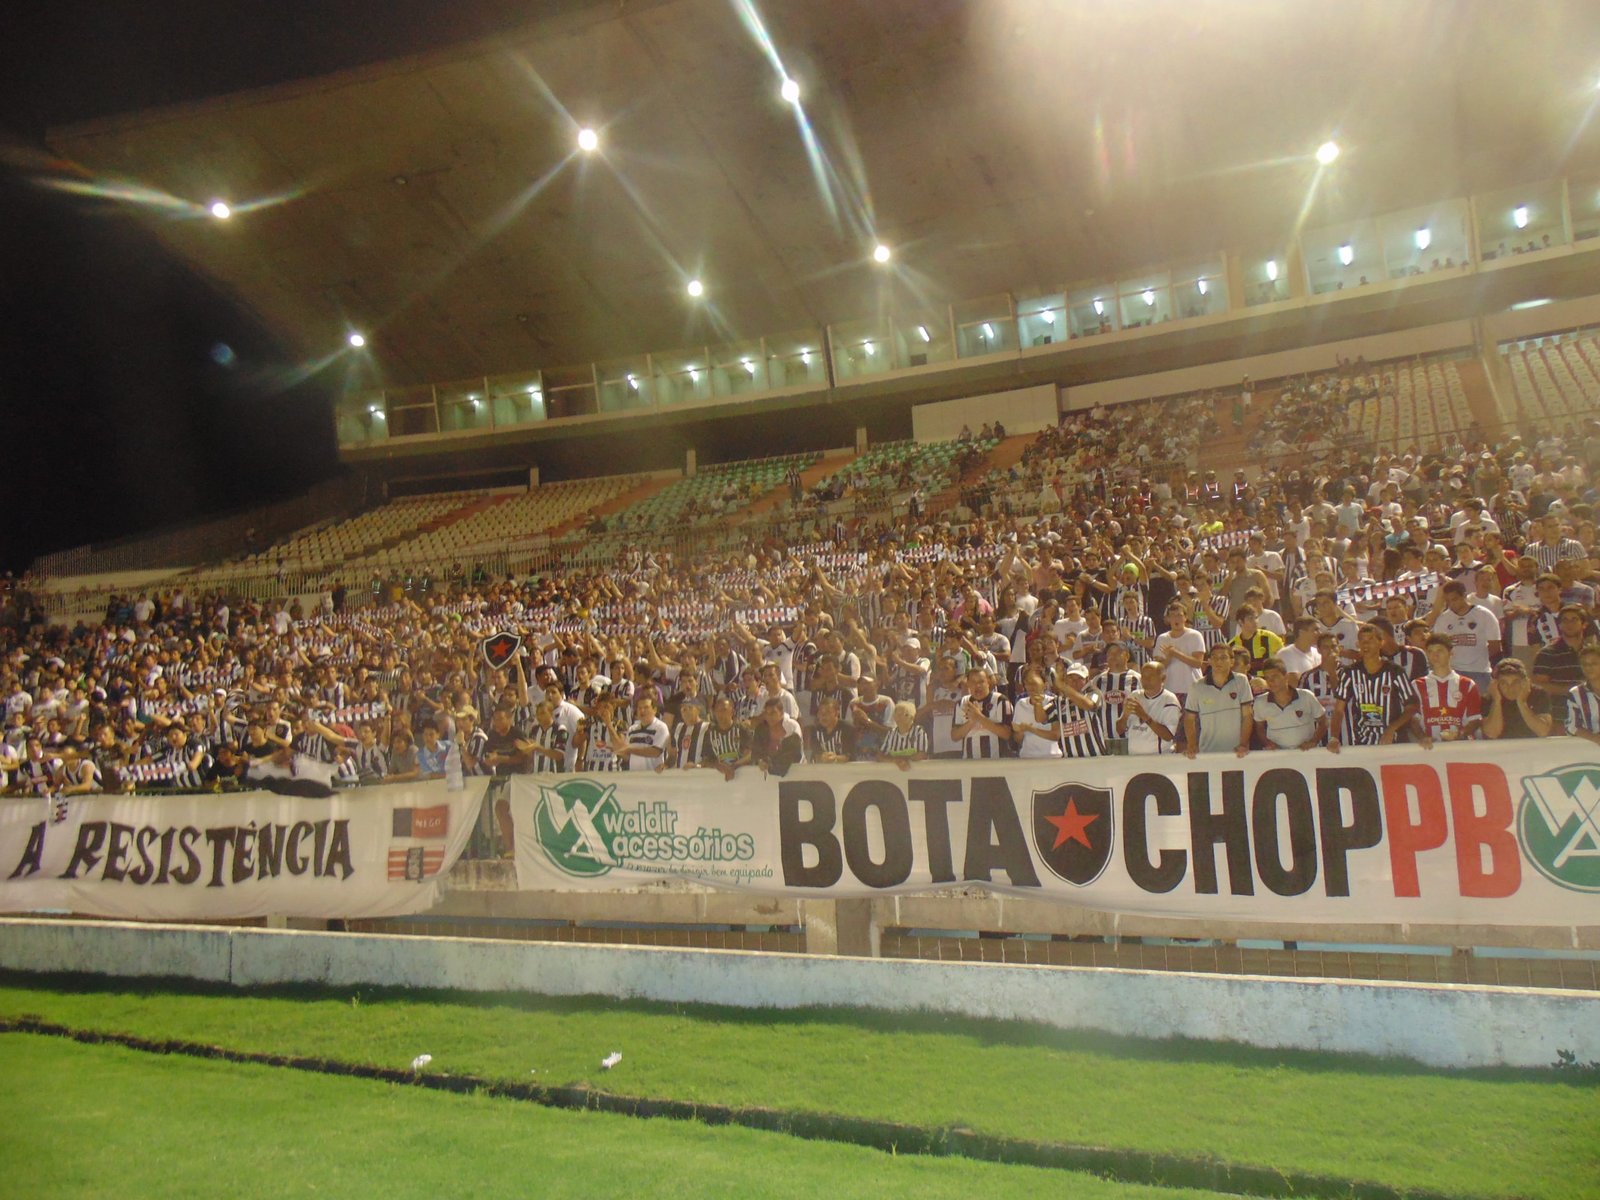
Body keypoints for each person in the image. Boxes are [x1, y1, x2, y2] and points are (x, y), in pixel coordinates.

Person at [1330, 624, 1416, 752]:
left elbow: (1412, 706)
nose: (1366, 644)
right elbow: (1338, 710)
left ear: (1381, 643)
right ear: (1358, 644)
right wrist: (1334, 737)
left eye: (1370, 640)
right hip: (1363, 743)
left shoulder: (1395, 671)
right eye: (1362, 640)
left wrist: (1392, 728)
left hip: (1395, 742)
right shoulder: (1349, 673)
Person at [1183, 642, 1252, 758]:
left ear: (1232, 661)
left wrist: (1243, 744)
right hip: (1207, 753)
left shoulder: (1241, 681)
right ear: (1209, 661)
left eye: (1223, 657)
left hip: (1237, 753)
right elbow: (1189, 719)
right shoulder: (1197, 686)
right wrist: (1192, 744)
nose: (1218, 661)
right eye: (1214, 658)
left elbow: (1247, 716)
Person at [1411, 634, 1483, 747]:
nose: (1435, 655)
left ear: (1451, 653)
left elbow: (1475, 720)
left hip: (1461, 747)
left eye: (1440, 650)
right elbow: (1413, 719)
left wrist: (1459, 734)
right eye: (1430, 651)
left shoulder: (1468, 684)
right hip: (1430, 748)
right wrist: (1422, 737)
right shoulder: (1416, 685)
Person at [1431, 580, 1501, 692]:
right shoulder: (1443, 619)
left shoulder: (1484, 615)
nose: (1451, 604)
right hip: (1453, 672)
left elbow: (1495, 645)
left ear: (1464, 596)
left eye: (1454, 599)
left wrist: (1477, 659)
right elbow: (1439, 646)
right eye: (1448, 601)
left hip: (1479, 672)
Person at [1252, 657, 1326, 751]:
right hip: (1278, 756)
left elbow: (1323, 722)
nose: (1271, 681)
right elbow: (1259, 728)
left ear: (1286, 677)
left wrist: (1313, 741)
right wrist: (1268, 743)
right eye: (1267, 678)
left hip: (1306, 753)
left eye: (1275, 676)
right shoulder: (1260, 702)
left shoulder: (1306, 696)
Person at [1119, 660, 1181, 755]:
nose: (1146, 679)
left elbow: (1168, 736)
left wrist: (1143, 715)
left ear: (1163, 678)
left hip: (1158, 757)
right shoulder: (1134, 696)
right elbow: (1120, 730)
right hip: (1132, 757)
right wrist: (1125, 716)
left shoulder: (1169, 700)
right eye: (1143, 676)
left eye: (1151, 676)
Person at [1482, 658, 1551, 740]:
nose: (1510, 688)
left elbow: (1543, 732)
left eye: (1515, 682)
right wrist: (1496, 701)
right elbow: (1492, 733)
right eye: (1504, 683)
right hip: (1501, 746)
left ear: (1524, 682)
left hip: (1531, 745)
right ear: (1496, 684)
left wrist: (1522, 703)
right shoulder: (1490, 697)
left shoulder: (1538, 694)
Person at [952, 667, 1012, 760]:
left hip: (996, 760)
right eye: (973, 682)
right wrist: (971, 722)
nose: (978, 686)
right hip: (969, 760)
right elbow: (955, 736)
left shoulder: (1001, 700)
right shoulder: (962, 702)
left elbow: (1007, 734)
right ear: (968, 683)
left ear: (988, 682)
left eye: (981, 681)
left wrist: (979, 717)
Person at [1010, 667, 1062, 759]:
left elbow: (1055, 735)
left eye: (1034, 683)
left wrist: (1031, 729)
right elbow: (1018, 739)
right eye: (1027, 683)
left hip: (1052, 756)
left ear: (1045, 685)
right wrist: (1020, 730)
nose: (1031, 687)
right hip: (1027, 756)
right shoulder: (1020, 704)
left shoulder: (1054, 702)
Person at [751, 697, 803, 776]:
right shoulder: (761, 729)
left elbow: (796, 753)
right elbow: (756, 752)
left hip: (796, 770)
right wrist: (760, 761)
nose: (769, 716)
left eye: (773, 713)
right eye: (767, 713)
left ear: (781, 713)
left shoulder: (793, 726)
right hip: (766, 773)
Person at [619, 694, 669, 772]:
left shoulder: (661, 727)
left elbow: (655, 752)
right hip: (634, 775)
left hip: (654, 775)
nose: (642, 711)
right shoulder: (632, 729)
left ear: (654, 710)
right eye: (639, 708)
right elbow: (627, 756)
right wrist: (618, 749)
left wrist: (630, 750)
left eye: (646, 707)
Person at [1564, 644, 1600, 745]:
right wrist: (1596, 739)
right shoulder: (1575, 694)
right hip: (1589, 748)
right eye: (1584, 664)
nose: (1588, 667)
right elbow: (1572, 726)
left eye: (1593, 663)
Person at [877, 700, 929, 770]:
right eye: (896, 714)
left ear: (912, 717)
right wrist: (894, 761)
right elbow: (880, 756)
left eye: (904, 714)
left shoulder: (919, 732)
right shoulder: (891, 733)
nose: (899, 717)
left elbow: (922, 754)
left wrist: (903, 760)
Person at [806, 697, 856, 763]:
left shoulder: (847, 729)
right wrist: (822, 758)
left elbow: (850, 757)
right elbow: (816, 755)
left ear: (837, 713)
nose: (823, 716)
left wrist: (835, 758)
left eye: (828, 712)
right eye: (820, 712)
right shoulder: (815, 731)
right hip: (821, 768)